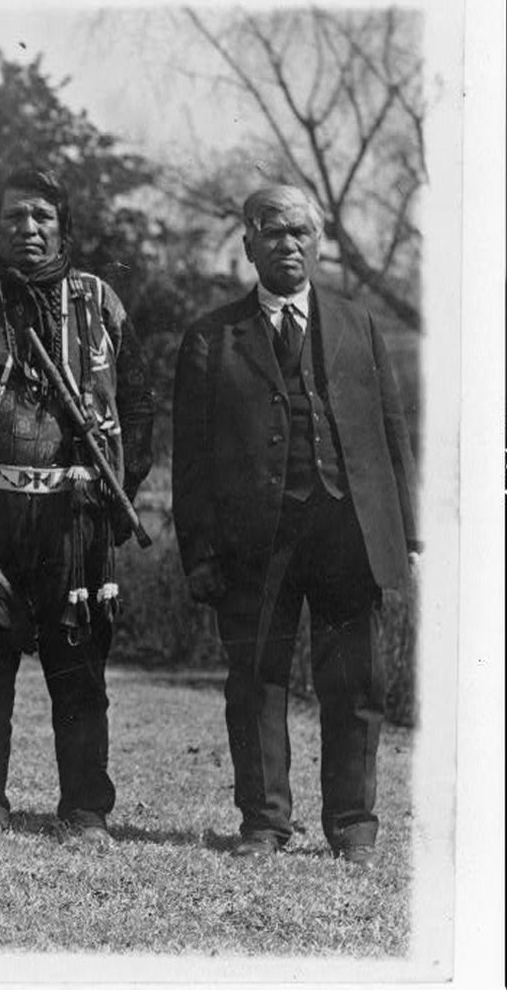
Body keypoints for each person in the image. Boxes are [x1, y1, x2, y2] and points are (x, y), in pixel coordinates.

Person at [172, 185, 419, 867]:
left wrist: (411, 537)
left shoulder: (357, 324)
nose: (290, 244)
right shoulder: (213, 337)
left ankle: (353, 824)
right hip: (255, 542)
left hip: (349, 533)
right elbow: (189, 462)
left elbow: (392, 433)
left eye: (303, 232)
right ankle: (265, 823)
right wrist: (199, 553)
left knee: (357, 682)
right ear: (248, 243)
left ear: (319, 242)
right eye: (275, 232)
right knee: (255, 681)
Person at [0, 166, 154, 843]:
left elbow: (137, 404)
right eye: (14, 217)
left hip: (76, 516)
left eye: (41, 218)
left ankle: (84, 809)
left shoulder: (99, 303)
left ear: (63, 228)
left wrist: (120, 489)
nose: (28, 228)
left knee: (79, 667)